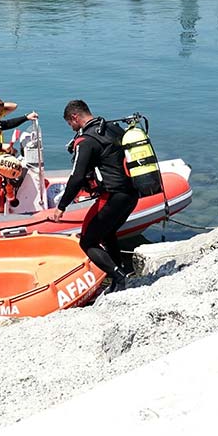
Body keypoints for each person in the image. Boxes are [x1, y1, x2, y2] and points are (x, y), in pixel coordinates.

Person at [55, 100, 137, 292]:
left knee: (88, 241)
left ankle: (119, 276)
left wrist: (62, 207)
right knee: (107, 234)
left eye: (70, 123)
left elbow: (76, 178)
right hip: (132, 194)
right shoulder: (113, 128)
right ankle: (120, 278)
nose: (71, 128)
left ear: (74, 117)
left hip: (113, 196)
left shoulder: (86, 141)